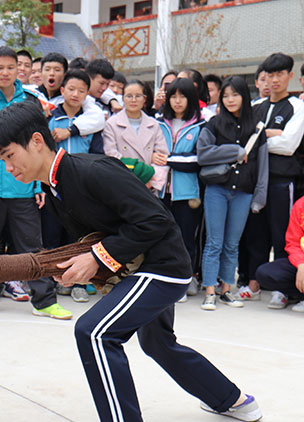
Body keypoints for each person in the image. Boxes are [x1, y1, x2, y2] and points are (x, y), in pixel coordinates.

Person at [0, 101, 262, 422]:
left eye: (9, 155)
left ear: (36, 141)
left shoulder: (90, 170)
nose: (8, 166)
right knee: (158, 343)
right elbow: (102, 235)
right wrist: (77, 265)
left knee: (94, 332)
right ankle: (233, 400)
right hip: (138, 267)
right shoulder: (54, 188)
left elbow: (154, 219)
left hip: (163, 267)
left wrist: (97, 258)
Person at [0, 46, 71, 320]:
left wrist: (39, 185)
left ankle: (44, 300)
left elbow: (41, 146)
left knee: (32, 247)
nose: (5, 72)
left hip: (24, 186)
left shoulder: (31, 100)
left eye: (11, 67)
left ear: (19, 69)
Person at [238, 53, 304, 308]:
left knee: (282, 233)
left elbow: (288, 145)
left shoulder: (298, 107)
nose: (274, 80)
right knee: (256, 234)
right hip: (255, 181)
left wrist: (259, 138)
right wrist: (271, 134)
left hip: (281, 179)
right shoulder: (256, 107)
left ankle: (282, 289)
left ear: (290, 75)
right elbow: (242, 140)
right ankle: (254, 283)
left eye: (280, 74)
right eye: (270, 75)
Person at [196, 76, 268, 310]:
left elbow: (262, 165)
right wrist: (234, 150)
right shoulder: (214, 124)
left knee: (232, 244)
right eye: (225, 95)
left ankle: (227, 289)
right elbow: (203, 154)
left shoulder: (257, 126)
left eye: (235, 94)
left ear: (244, 96)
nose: (230, 100)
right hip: (217, 189)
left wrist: (259, 196)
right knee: (214, 243)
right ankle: (209, 290)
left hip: (244, 192)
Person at [48, 69, 104, 303]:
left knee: (79, 235)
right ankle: (55, 279)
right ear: (62, 91)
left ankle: (80, 282)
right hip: (53, 185)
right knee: (54, 233)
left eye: (82, 91)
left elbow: (97, 154)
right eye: (71, 89)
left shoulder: (90, 122)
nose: (75, 94)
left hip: (82, 186)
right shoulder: (51, 118)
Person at [157, 78, 206, 301]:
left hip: (187, 193)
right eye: (173, 96)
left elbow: (198, 159)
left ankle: (187, 278)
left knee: (186, 237)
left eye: (182, 96)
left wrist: (168, 159)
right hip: (160, 191)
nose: (177, 101)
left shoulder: (201, 125)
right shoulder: (158, 122)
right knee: (162, 237)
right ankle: (165, 278)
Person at [102, 80, 169, 195]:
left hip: (148, 187)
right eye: (129, 96)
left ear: (145, 99)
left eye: (138, 96)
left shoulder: (153, 124)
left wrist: (150, 181)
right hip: (123, 185)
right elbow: (111, 155)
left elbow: (162, 157)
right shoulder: (112, 124)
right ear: (122, 98)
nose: (133, 100)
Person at [255, 195, 304, 312]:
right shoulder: (301, 204)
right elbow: (293, 242)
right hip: (302, 261)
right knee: (265, 274)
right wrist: (301, 264)